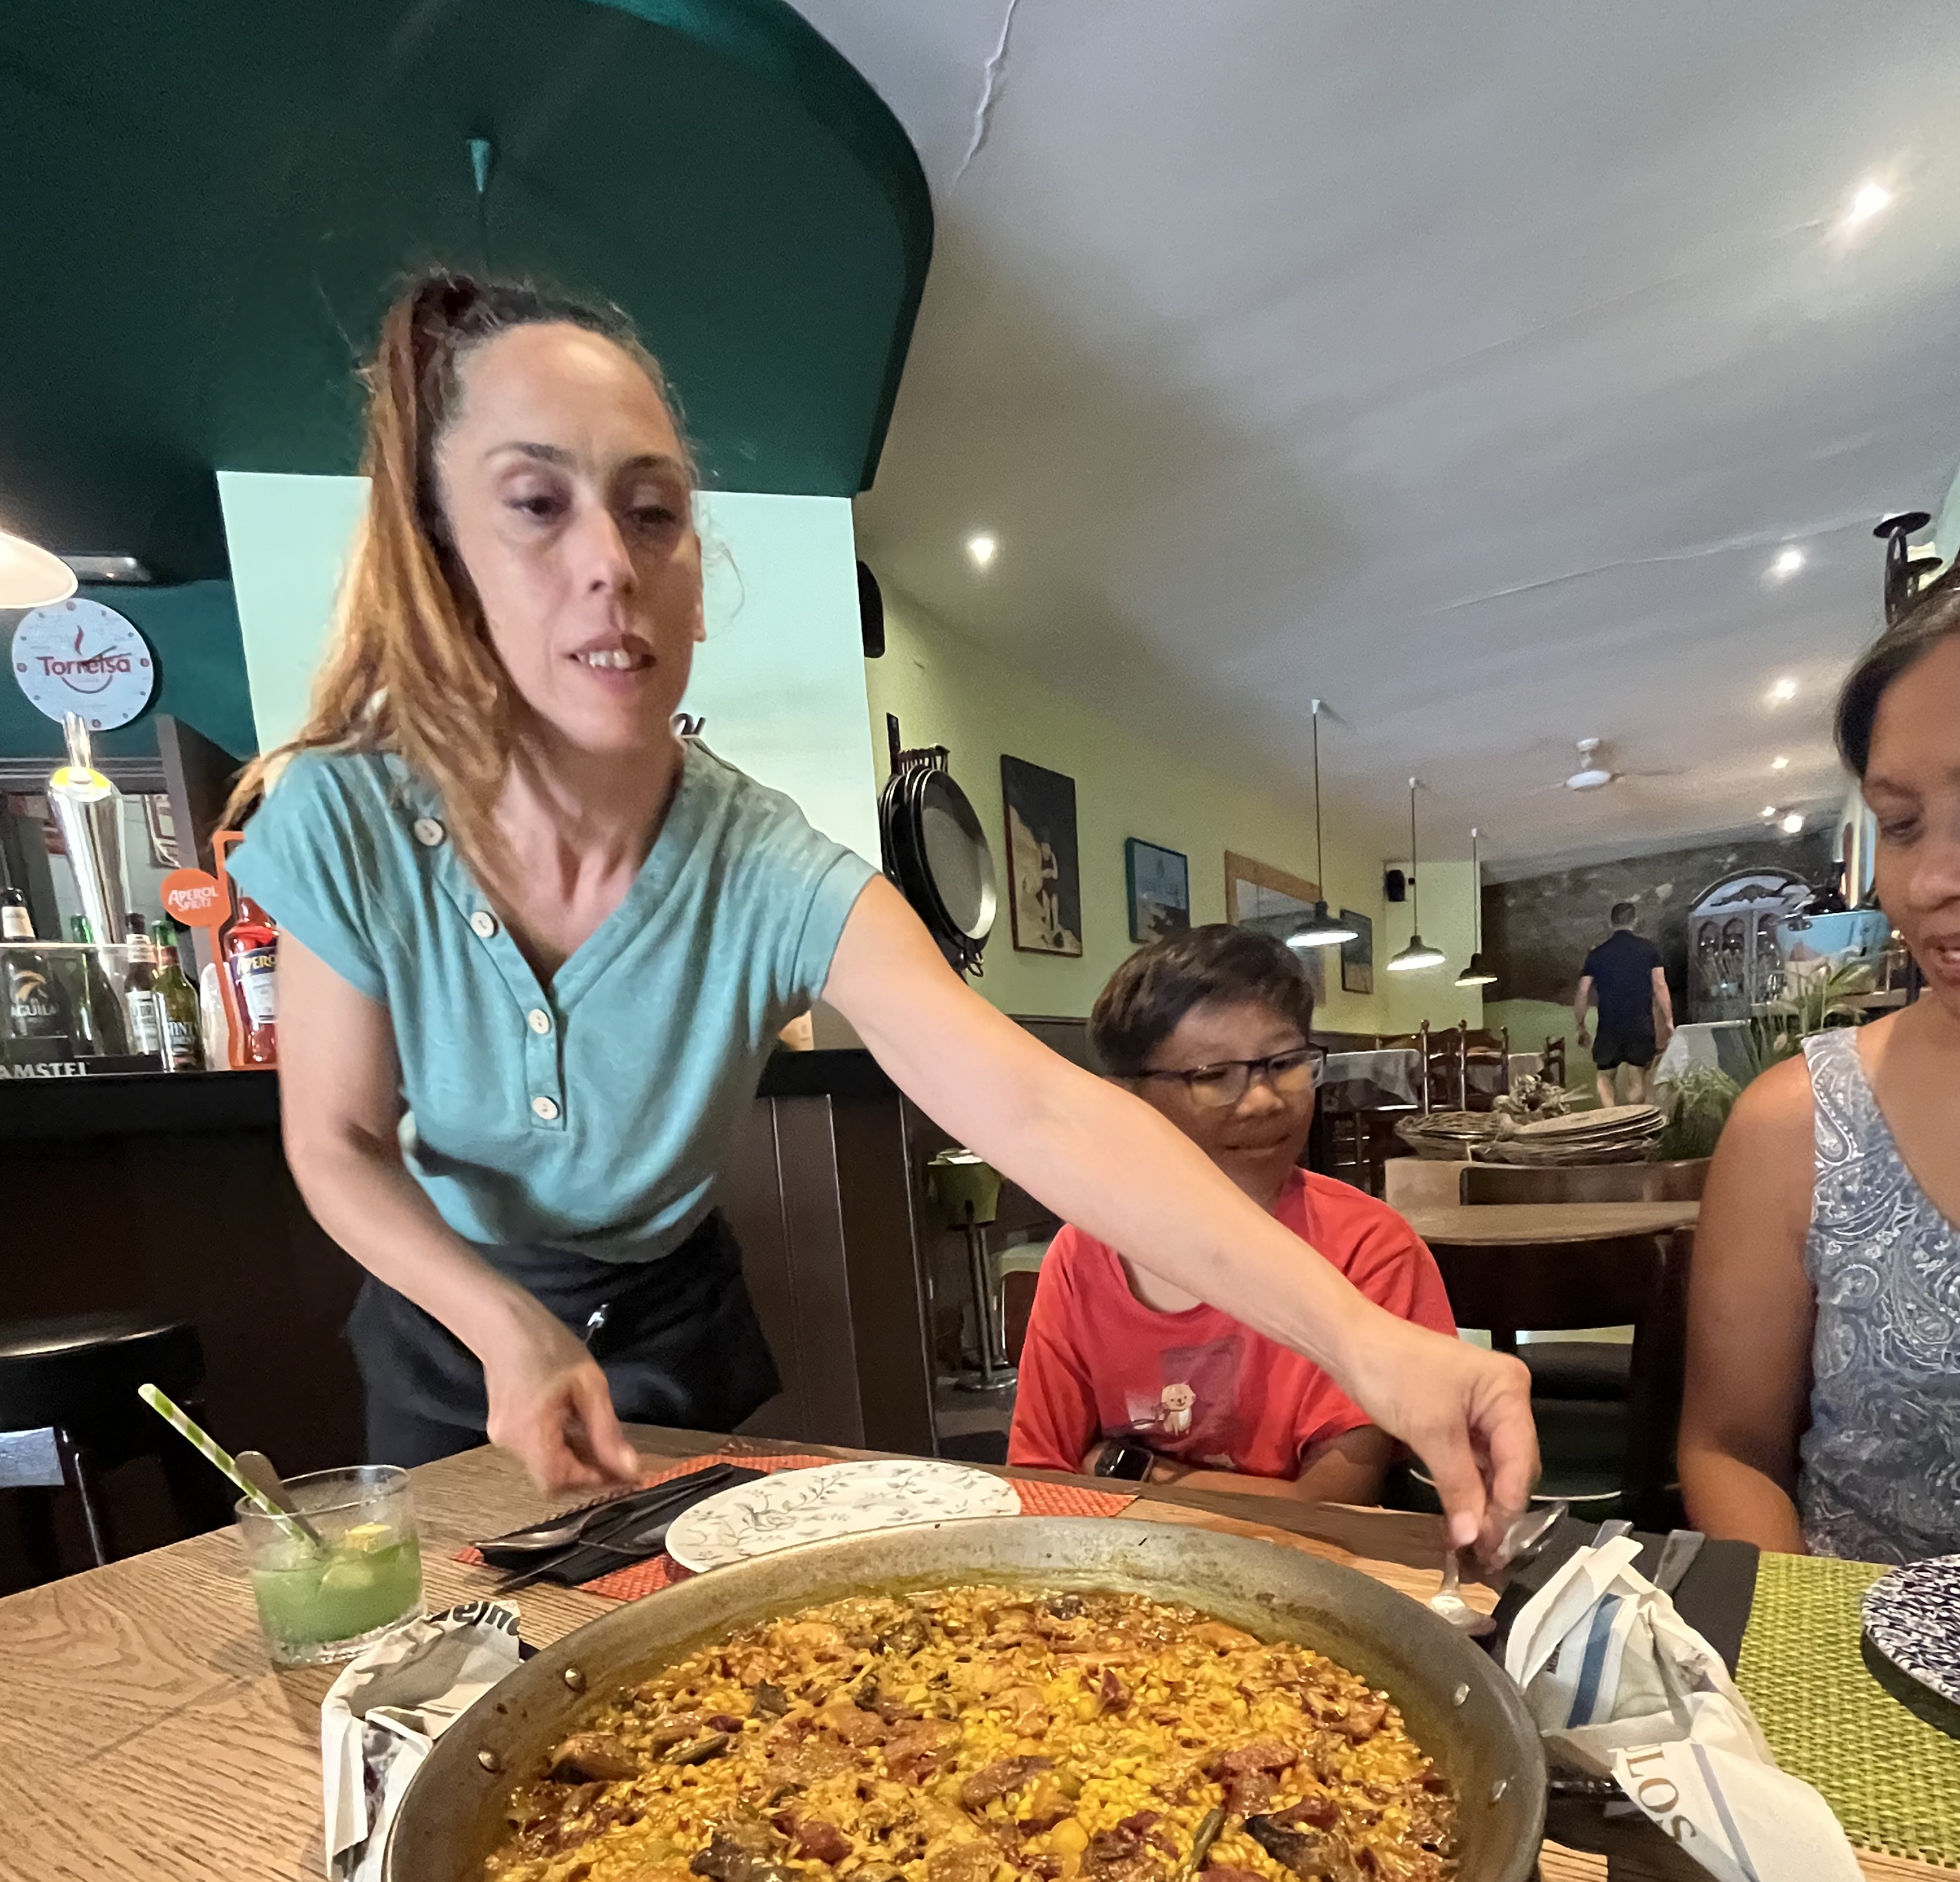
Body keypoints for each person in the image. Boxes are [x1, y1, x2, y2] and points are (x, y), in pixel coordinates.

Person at [231, 270, 1533, 1550]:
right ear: (442, 558)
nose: (609, 564)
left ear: (696, 578)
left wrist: (1367, 1342)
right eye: (534, 505)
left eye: (652, 512)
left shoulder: (763, 864)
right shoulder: (345, 815)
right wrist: (501, 1322)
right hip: (444, 1326)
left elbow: (1037, 1109)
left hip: (672, 1334)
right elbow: (338, 1141)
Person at [1678, 580, 1960, 1559]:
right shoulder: (1797, 1123)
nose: (1931, 882)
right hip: (1853, 1643)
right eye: (1903, 824)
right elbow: (1728, 1449)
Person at [1008, 928, 1458, 1500]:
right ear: (1125, 1100)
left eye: (1286, 1063)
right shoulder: (1083, 1255)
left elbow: (1329, 1504)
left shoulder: (1367, 1247)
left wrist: (1133, 1469)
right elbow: (1040, 1478)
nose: (1264, 1099)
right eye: (1214, 1076)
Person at [1574, 901, 1672, 1105]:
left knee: (1605, 1076)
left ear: (1611, 923)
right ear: (1635, 921)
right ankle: (1631, 1118)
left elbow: (1583, 991)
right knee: (1637, 1077)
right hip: (1639, 1023)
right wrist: (1669, 1020)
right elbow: (1660, 985)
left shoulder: (1597, 954)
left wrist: (1581, 1026)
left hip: (1609, 1025)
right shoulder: (1648, 950)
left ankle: (1611, 1116)